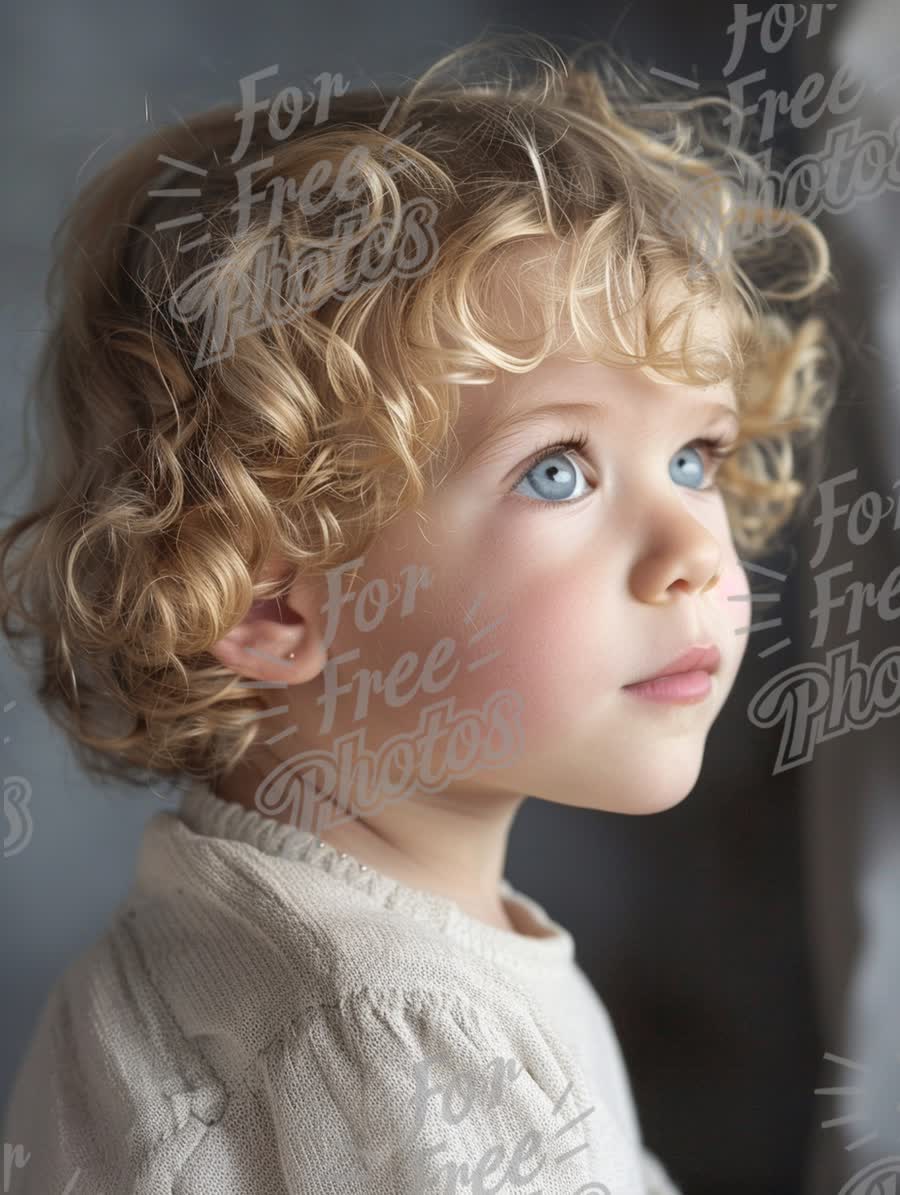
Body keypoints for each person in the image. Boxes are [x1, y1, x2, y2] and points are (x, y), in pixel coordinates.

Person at [0, 33, 836, 1194]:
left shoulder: (229, 946)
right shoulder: (393, 1041)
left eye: (694, 456)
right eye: (558, 469)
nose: (694, 550)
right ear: (270, 595)